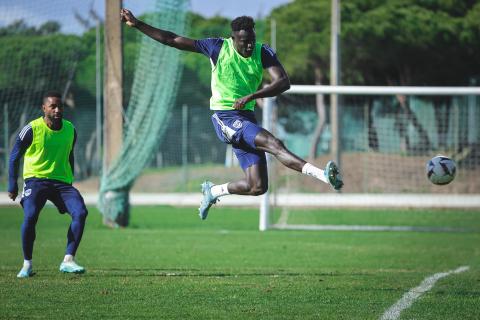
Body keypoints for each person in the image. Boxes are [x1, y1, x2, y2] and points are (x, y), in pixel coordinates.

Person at [120, 9, 344, 220]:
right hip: (224, 118)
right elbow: (172, 39)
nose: (249, 46)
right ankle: (323, 175)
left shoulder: (262, 52)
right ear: (233, 39)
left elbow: (283, 82)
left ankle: (214, 191)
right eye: (244, 42)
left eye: (252, 41)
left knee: (257, 187)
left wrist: (252, 96)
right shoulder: (217, 48)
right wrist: (137, 24)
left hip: (246, 118)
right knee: (274, 143)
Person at [8, 91, 88, 278]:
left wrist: (70, 179)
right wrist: (12, 184)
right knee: (30, 216)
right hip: (36, 181)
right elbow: (14, 156)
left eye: (60, 106)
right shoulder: (31, 129)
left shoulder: (70, 129)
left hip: (61, 183)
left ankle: (68, 260)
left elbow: (70, 154)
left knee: (81, 212)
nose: (57, 109)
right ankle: (27, 264)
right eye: (53, 106)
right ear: (44, 108)